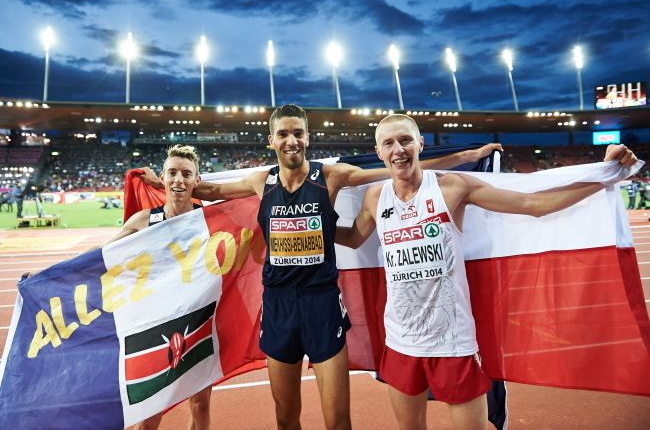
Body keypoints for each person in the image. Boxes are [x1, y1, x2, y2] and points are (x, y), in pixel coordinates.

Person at [139, 104, 501, 430]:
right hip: (278, 306)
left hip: (323, 304)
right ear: (271, 140)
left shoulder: (330, 176)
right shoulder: (260, 181)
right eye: (283, 133)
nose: (291, 140)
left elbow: (395, 168)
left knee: (338, 421)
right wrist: (166, 185)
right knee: (285, 417)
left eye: (298, 133)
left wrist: (469, 154)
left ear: (307, 137)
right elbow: (214, 192)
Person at [335, 114, 638, 430]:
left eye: (405, 140)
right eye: (389, 143)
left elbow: (533, 204)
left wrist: (605, 174)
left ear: (420, 144)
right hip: (400, 341)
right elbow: (354, 238)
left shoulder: (452, 188)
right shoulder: (374, 197)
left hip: (452, 343)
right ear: (379, 151)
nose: (398, 149)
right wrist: (314, 226)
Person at [107, 145, 213, 430]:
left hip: (199, 321)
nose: (179, 180)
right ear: (163, 178)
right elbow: (100, 257)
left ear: (197, 181)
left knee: (201, 406)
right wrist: (49, 274)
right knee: (151, 414)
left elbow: (243, 194)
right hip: (156, 327)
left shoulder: (209, 218)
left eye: (186, 174)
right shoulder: (144, 221)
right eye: (172, 173)